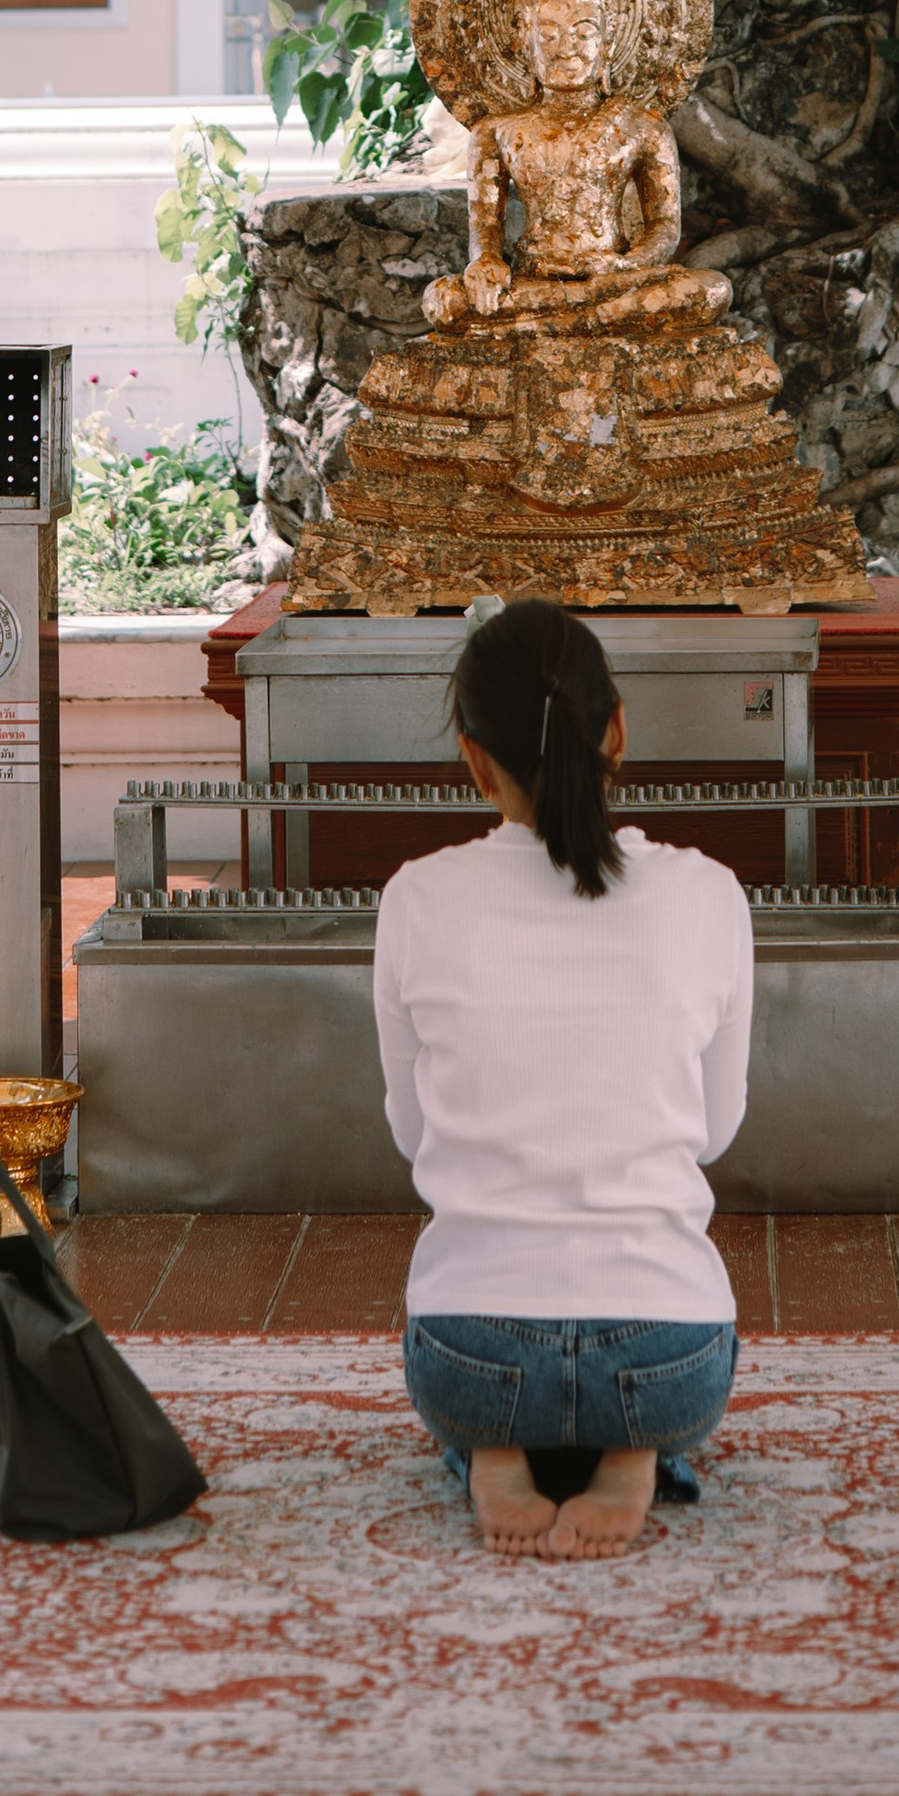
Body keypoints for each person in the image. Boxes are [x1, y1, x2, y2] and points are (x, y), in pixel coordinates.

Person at [372, 595, 753, 1558]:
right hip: (671, 1356)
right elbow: (714, 1129)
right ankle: (635, 1457)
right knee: (655, 1378)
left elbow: (415, 1134)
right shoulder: (708, 891)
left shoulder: (416, 896)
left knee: (468, 1361)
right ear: (618, 728)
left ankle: (493, 1451)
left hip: (471, 1355)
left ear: (472, 758)